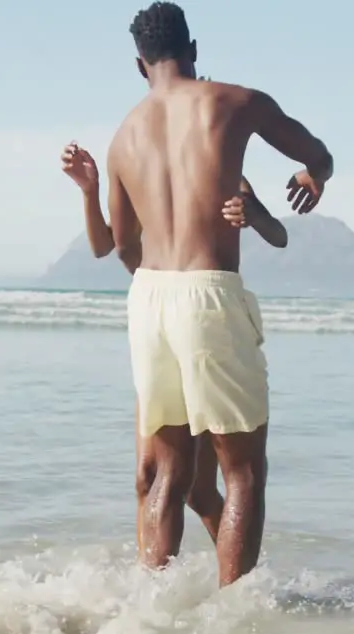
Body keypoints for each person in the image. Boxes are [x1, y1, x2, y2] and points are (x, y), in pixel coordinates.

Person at [106, 1, 333, 586]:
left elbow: (123, 245)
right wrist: (315, 178)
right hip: (207, 295)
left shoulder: (123, 136)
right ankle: (235, 626)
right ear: (194, 49)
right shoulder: (235, 101)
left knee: (168, 476)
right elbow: (318, 154)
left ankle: (150, 610)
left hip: (149, 299)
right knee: (243, 474)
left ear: (139, 65)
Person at [60, 138, 288, 561]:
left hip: (202, 323)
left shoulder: (225, 172)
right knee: (155, 479)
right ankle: (158, 596)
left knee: (199, 485)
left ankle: (239, 587)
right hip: (158, 323)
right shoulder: (140, 171)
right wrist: (89, 192)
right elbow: (104, 246)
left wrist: (255, 215)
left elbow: (279, 236)